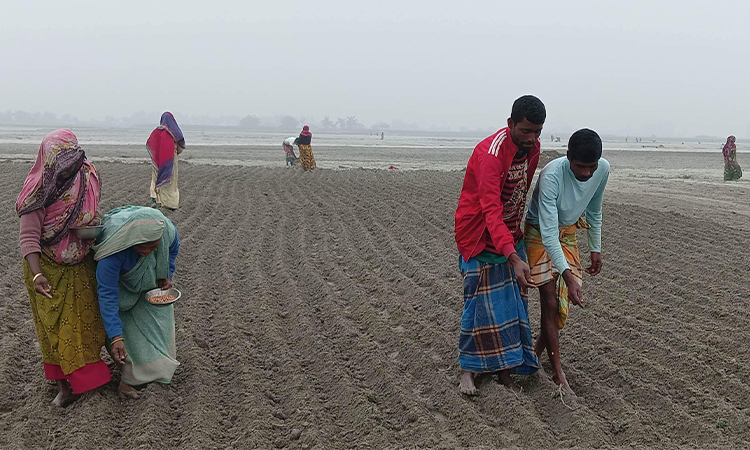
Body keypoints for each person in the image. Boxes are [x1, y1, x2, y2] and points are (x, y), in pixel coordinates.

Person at [454, 95, 546, 395]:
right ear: (510, 125)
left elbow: (520, 193)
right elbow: (491, 209)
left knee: (515, 304)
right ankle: (468, 371)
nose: (531, 138)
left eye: (537, 132)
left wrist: (514, 247)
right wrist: (512, 257)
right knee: (478, 304)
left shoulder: (533, 151)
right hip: (479, 235)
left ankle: (506, 372)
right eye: (525, 131)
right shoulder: (490, 154)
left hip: (510, 234)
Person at [16, 129, 110, 407]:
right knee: (54, 327)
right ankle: (63, 386)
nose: (67, 165)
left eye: (72, 158)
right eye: (60, 160)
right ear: (48, 160)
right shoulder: (37, 191)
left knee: (88, 323)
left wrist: (92, 226)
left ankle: (90, 376)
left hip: (81, 262)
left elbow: (92, 210)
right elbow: (28, 238)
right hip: (46, 268)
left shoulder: (87, 174)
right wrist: (37, 275)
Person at [524, 128, 609, 395]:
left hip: (568, 231)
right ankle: (558, 372)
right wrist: (568, 276)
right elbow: (548, 234)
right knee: (550, 300)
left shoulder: (602, 170)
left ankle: (534, 355)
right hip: (540, 232)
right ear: (568, 156)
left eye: (591, 167)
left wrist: (595, 248)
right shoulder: (552, 176)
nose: (586, 173)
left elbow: (595, 209)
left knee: (560, 303)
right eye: (580, 167)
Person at [93, 206, 181, 398]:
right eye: (141, 246)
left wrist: (167, 273)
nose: (146, 251)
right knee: (128, 336)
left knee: (160, 327)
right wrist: (116, 336)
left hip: (150, 287)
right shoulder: (113, 253)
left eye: (153, 246)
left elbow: (172, 249)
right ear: (132, 238)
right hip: (122, 292)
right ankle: (128, 381)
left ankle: (155, 371)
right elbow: (107, 295)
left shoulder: (167, 231)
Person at [148, 112, 185, 210]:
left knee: (157, 179)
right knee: (170, 182)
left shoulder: (157, 132)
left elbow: (151, 144)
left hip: (158, 160)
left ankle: (157, 200)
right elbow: (181, 147)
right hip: (171, 162)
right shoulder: (174, 133)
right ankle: (171, 203)